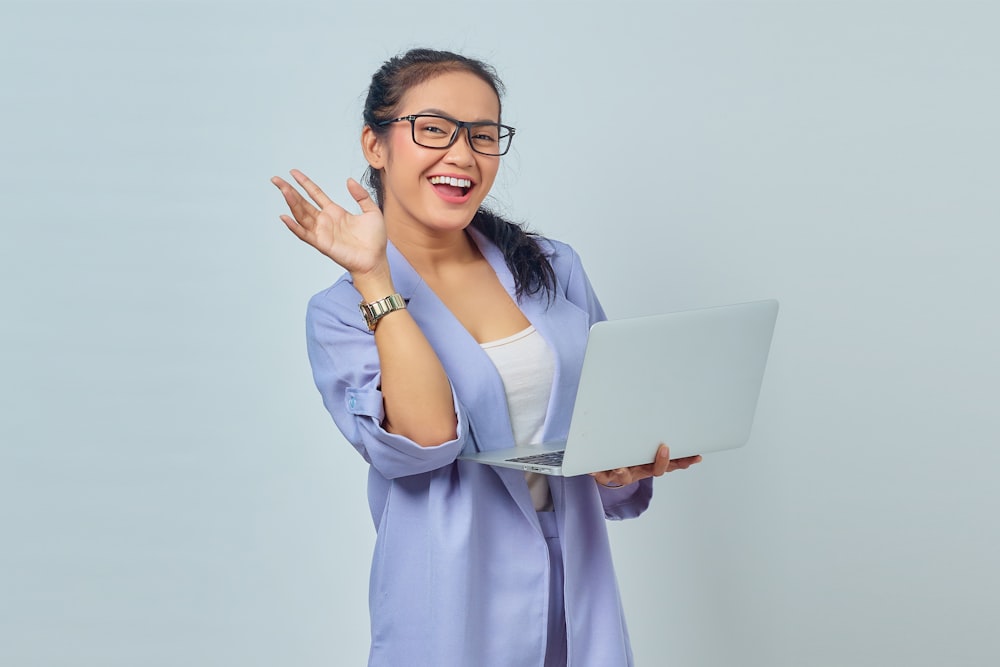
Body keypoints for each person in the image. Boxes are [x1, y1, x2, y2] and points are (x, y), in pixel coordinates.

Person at [272, 48, 701, 667]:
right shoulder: (341, 311)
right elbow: (424, 441)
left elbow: (604, 418)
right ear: (375, 145)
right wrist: (372, 277)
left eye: (482, 135)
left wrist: (619, 466)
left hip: (574, 574)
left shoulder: (552, 268)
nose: (462, 155)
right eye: (434, 129)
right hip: (452, 590)